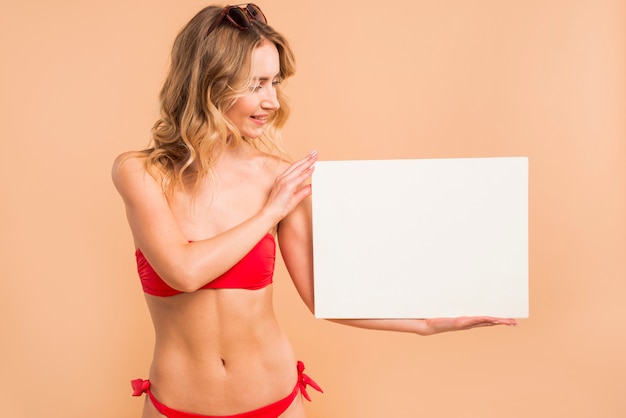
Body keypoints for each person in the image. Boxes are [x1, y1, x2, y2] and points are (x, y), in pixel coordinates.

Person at [112, 4, 518, 418]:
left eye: (274, 83)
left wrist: (424, 323)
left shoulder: (280, 177)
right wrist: (269, 213)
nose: (271, 100)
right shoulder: (141, 172)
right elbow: (183, 271)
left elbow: (322, 295)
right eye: (256, 84)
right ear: (209, 85)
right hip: (175, 405)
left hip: (275, 401)